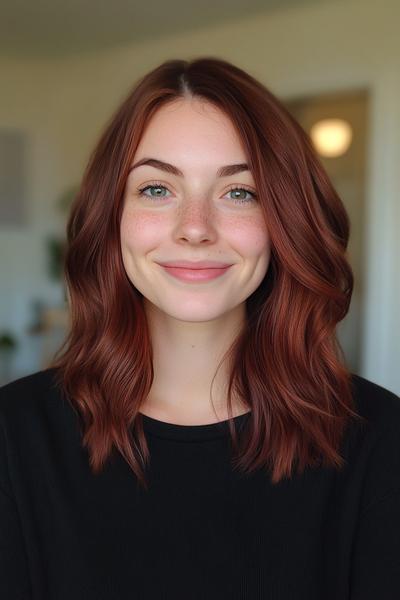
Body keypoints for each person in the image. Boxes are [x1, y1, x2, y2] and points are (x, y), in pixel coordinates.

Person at [0, 57, 399, 600]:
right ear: (110, 217)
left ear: (285, 222)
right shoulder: (13, 437)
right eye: (157, 189)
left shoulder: (381, 439)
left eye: (240, 192)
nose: (195, 228)